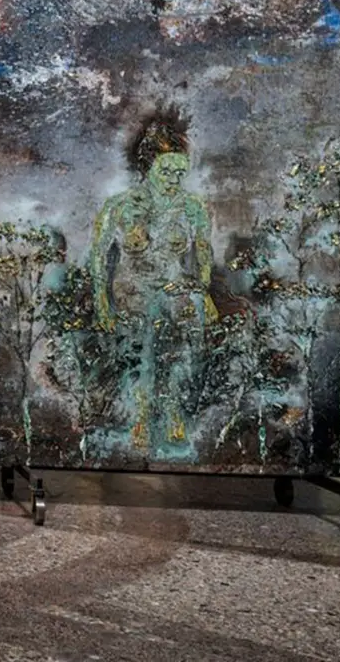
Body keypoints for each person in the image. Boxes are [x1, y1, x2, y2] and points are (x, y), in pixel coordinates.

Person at [88, 107, 217, 452]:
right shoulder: (118, 207)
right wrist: (102, 301)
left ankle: (173, 410)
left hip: (176, 292)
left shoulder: (193, 208)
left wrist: (202, 290)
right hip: (132, 293)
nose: (175, 178)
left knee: (176, 353)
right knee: (135, 354)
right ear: (149, 167)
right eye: (167, 170)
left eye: (180, 171)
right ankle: (141, 417)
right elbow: (99, 258)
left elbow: (203, 255)